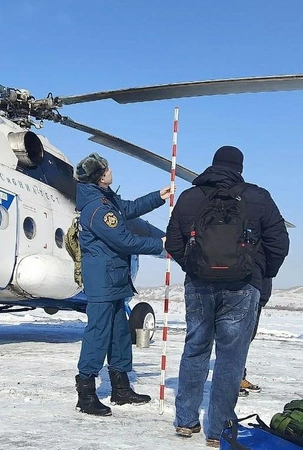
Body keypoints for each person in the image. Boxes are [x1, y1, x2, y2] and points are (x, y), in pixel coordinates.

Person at [165, 146, 289, 447]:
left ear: (213, 165)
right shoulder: (257, 197)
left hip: (199, 286)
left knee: (195, 349)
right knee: (230, 358)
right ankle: (218, 429)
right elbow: (279, 243)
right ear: (240, 167)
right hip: (242, 286)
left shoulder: (190, 197)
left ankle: (186, 421)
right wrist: (259, 273)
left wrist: (193, 266)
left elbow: (173, 240)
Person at [74, 152, 172, 416]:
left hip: (115, 279)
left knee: (119, 334)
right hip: (103, 281)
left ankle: (120, 388)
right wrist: (159, 245)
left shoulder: (106, 200)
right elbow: (124, 241)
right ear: (100, 176)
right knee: (98, 334)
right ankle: (86, 393)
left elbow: (127, 209)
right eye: (106, 168)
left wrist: (157, 197)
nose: (110, 170)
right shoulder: (97, 209)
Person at [240, 277, 273, 395]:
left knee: (244, 341)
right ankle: (231, 382)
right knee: (236, 342)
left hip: (257, 293)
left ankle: (237, 378)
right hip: (244, 291)